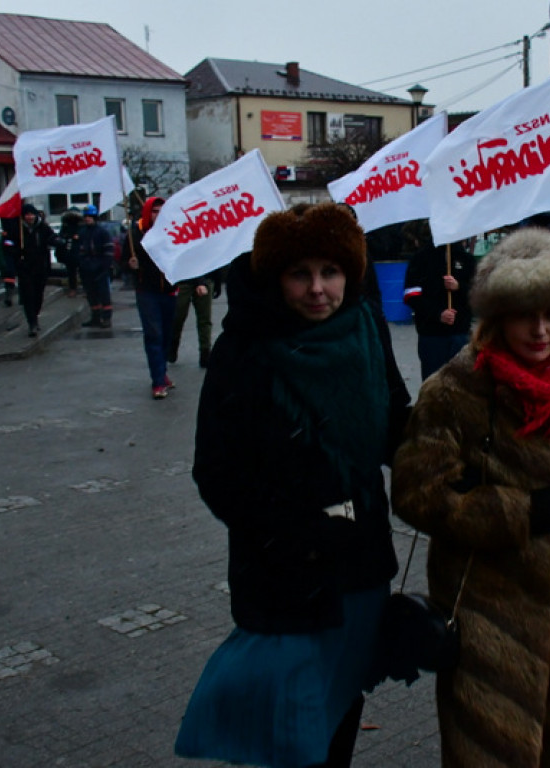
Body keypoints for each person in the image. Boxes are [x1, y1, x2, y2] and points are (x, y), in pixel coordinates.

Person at [391, 228, 550, 767]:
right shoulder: (452, 392)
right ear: (496, 317)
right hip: (489, 624)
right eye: (524, 315)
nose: (540, 330)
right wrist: (513, 511)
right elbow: (416, 493)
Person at [175, 202, 411, 768]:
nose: (317, 289)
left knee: (339, 716)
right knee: (290, 736)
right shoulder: (245, 349)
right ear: (275, 278)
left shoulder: (365, 328)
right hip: (285, 577)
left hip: (360, 569)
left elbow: (397, 426)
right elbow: (216, 471)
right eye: (299, 274)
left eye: (330, 272)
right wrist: (299, 532)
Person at [402, 220, 476, 380]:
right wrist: (438, 314)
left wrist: (459, 287)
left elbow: (478, 292)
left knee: (462, 385)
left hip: (460, 333)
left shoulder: (466, 259)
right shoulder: (421, 258)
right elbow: (410, 295)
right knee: (433, 384)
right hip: (431, 335)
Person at [124, 196, 178, 398]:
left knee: (167, 334)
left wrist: (197, 282)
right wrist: (131, 265)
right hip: (147, 292)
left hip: (170, 291)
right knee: (154, 335)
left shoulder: (172, 231)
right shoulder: (135, 234)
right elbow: (122, 263)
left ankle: (162, 371)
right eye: (154, 211)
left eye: (162, 211)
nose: (158, 215)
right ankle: (157, 381)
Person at [3, 202, 63, 336]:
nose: (29, 217)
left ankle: (35, 315)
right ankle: (32, 323)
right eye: (27, 215)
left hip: (41, 267)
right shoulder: (17, 229)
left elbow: (52, 238)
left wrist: (59, 242)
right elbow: (8, 244)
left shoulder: (43, 227)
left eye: (31, 214)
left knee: (38, 295)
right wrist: (16, 254)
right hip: (25, 268)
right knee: (28, 295)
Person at [70, 204, 114, 328]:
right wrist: (81, 262)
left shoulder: (102, 232)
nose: (88, 219)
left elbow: (108, 251)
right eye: (86, 217)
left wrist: (105, 266)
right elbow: (78, 249)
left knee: (104, 295)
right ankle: (95, 317)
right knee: (91, 294)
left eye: (90, 217)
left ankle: (106, 318)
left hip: (100, 268)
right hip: (86, 269)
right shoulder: (82, 232)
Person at [167, 272, 217, 368]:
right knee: (178, 318)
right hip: (187, 279)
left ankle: (205, 352)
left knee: (204, 319)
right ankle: (173, 347)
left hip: (195, 279)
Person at [54, 207, 83, 296]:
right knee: (72, 271)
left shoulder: (80, 225)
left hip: (76, 251)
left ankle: (76, 288)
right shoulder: (67, 225)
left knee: (76, 271)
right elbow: (61, 237)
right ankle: (74, 288)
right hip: (71, 251)